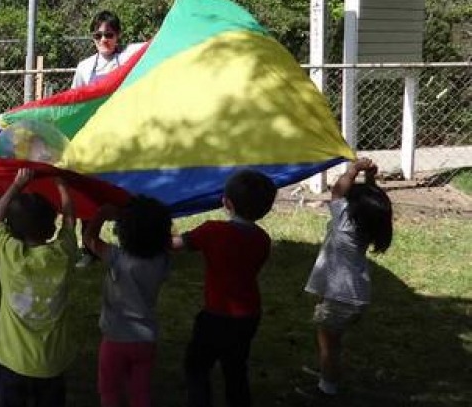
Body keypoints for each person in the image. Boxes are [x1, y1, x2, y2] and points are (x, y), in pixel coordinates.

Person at [173, 169, 277, 407]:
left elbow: (176, 244)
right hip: (249, 315)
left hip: (216, 316)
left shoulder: (213, 231)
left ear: (226, 202)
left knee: (197, 367)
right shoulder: (263, 239)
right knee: (236, 368)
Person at [299, 158, 393, 399]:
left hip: (340, 298)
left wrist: (353, 171)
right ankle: (327, 372)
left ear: (351, 208)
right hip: (354, 295)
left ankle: (326, 388)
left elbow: (338, 190)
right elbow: (372, 201)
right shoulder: (368, 223)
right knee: (333, 343)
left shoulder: (343, 222)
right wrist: (370, 179)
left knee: (329, 347)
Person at [0, 168, 78, 407]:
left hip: (11, 360)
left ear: (13, 231)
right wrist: (62, 187)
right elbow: (71, 221)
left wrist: (18, 183)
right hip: (51, 363)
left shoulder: (10, 254)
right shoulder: (63, 254)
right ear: (51, 230)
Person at [83, 197, 173, 407]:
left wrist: (102, 215)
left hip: (115, 339)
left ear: (123, 231)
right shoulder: (163, 260)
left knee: (110, 391)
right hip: (146, 339)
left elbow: (89, 238)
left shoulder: (116, 257)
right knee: (140, 393)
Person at [71, 10, 147, 89]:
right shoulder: (84, 67)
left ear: (118, 35)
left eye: (108, 35)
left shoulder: (130, 54)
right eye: (98, 36)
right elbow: (74, 98)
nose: (103, 40)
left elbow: (154, 44)